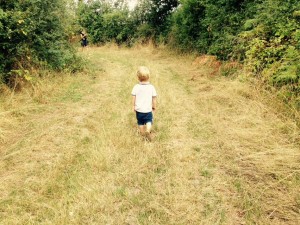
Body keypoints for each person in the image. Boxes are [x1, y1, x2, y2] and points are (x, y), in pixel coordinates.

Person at [131, 66, 157, 141]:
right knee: (149, 121)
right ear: (149, 77)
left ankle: (142, 134)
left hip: (139, 110)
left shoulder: (136, 87)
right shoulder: (151, 87)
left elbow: (133, 97)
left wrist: (133, 106)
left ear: (138, 78)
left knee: (140, 122)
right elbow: (154, 98)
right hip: (148, 110)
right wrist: (154, 106)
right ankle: (148, 130)